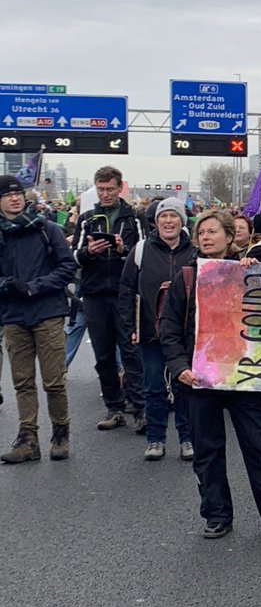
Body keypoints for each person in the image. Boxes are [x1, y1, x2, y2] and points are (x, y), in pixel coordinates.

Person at [158, 210, 261, 539]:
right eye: (201, 233)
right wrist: (180, 367)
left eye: (212, 232)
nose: (205, 237)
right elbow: (168, 329)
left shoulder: (248, 271)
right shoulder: (186, 277)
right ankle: (216, 514)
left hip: (243, 377)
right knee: (207, 452)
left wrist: (255, 274)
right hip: (200, 380)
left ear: (229, 236)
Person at [0, 179, 76, 464]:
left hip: (47, 312)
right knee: (22, 382)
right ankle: (28, 439)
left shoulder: (48, 229)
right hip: (14, 316)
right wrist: (7, 284)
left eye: (17, 193)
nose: (14, 199)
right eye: (7, 196)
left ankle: (60, 433)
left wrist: (35, 286)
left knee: (54, 381)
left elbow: (68, 267)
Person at [119, 198, 197, 462]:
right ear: (156, 221)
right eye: (164, 217)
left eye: (174, 216)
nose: (168, 221)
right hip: (151, 332)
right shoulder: (140, 251)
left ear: (182, 222)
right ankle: (156, 439)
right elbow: (127, 291)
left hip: (185, 334)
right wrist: (130, 327)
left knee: (184, 387)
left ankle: (187, 438)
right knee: (153, 387)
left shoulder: (195, 252)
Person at [74, 166, 146, 432]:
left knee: (131, 352)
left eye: (110, 189)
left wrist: (121, 250)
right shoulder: (87, 219)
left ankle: (141, 409)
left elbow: (144, 255)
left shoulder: (134, 218)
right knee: (103, 355)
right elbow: (74, 257)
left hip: (124, 294)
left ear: (119, 188)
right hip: (94, 295)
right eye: (101, 189)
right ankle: (114, 408)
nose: (105, 194)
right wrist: (89, 252)